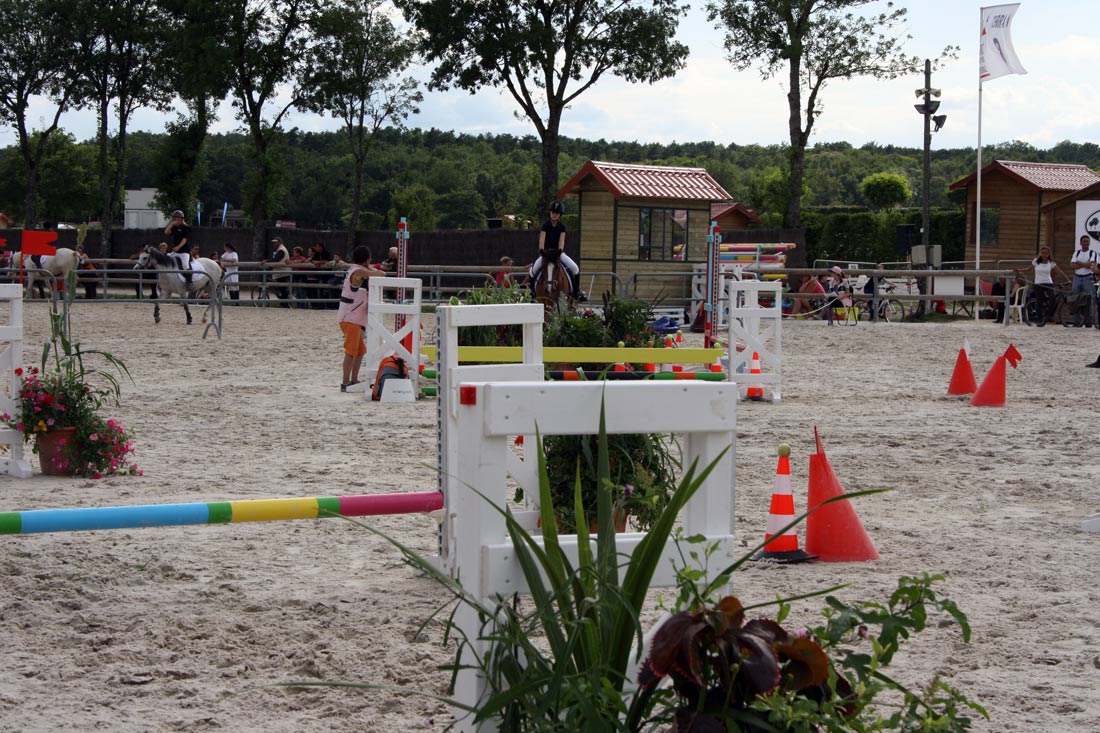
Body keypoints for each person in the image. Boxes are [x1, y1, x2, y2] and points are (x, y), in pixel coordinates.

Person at [338, 246, 385, 391]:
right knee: (351, 351)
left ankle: (354, 380)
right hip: (351, 317)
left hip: (355, 317)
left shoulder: (356, 269)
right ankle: (345, 382)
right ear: (368, 259)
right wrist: (373, 268)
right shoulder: (357, 272)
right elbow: (381, 274)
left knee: (359, 351)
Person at [529, 200, 584, 301]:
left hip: (558, 254)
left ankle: (576, 292)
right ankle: (532, 293)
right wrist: (542, 251)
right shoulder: (545, 226)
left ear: (560, 215)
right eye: (552, 212)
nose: (554, 215)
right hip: (546, 254)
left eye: (556, 213)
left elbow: (561, 241)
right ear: (550, 213)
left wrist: (559, 251)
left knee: (575, 268)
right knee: (531, 271)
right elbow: (542, 240)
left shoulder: (562, 227)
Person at [1017, 246, 1066, 326]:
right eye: (1042, 253)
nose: (1044, 255)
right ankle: (1039, 320)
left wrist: (1067, 279)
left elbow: (1059, 271)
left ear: (1048, 254)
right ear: (1041, 253)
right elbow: (1029, 269)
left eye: (1046, 253)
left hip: (1048, 282)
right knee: (1039, 302)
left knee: (1053, 298)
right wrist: (1021, 270)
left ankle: (1048, 315)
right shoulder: (1036, 261)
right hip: (1038, 283)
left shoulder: (1051, 262)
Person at [1069, 235, 1097, 327]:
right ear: (1081, 243)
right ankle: (1077, 321)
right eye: (1084, 241)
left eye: (1087, 241)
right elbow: (1072, 265)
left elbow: (1091, 265)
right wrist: (1086, 264)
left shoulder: (1092, 253)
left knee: (1089, 300)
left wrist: (1079, 263)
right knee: (1075, 299)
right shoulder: (1076, 253)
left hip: (1088, 278)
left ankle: (1088, 321)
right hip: (1077, 278)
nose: (1086, 243)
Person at [164, 210, 193, 286]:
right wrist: (172, 224)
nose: (176, 220)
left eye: (177, 218)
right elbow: (166, 232)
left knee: (185, 265)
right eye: (174, 218)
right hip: (176, 251)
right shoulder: (174, 227)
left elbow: (185, 239)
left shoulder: (185, 227)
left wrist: (178, 247)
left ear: (181, 219)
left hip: (184, 251)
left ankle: (190, 282)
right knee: (166, 260)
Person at [261, 238, 292, 307]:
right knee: (282, 289)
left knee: (283, 290)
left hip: (282, 273)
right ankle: (283, 303)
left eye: (275, 242)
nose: (274, 244)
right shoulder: (281, 249)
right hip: (281, 272)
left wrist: (267, 261)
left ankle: (284, 304)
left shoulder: (281, 250)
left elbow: (276, 259)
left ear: (279, 242)